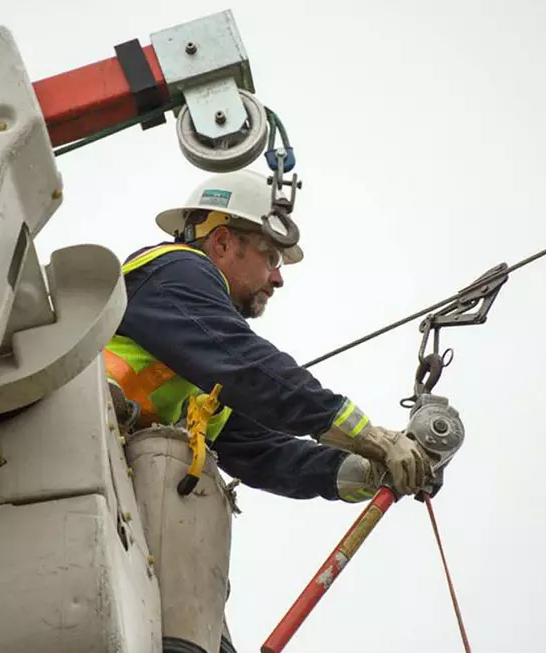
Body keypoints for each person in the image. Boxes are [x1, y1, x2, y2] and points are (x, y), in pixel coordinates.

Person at [104, 167, 437, 653]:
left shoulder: (196, 365)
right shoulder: (174, 271)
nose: (278, 277)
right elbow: (251, 369)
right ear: (221, 244)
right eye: (270, 255)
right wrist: (371, 435)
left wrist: (366, 470)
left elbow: (262, 451)